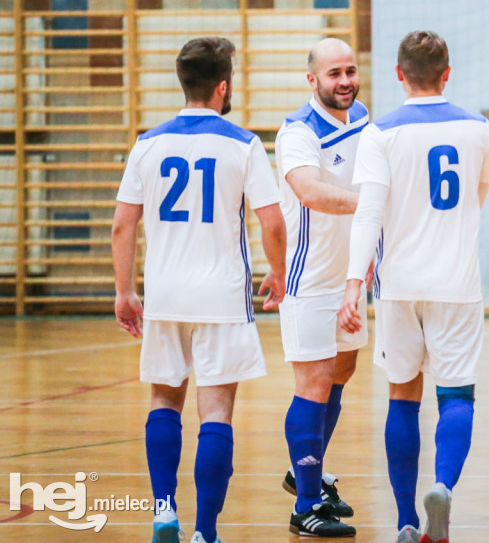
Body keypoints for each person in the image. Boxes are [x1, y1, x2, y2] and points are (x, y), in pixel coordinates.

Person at [112, 37, 287, 543]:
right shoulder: (243, 144)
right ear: (223, 86)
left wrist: (125, 292)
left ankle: (163, 512)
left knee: (164, 401)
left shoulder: (147, 143)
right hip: (222, 297)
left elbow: (123, 226)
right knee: (216, 413)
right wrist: (276, 272)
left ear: (183, 83)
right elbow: (272, 223)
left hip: (165, 295)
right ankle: (205, 532)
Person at [338, 31, 489, 543]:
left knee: (402, 395)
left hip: (400, 284)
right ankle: (443, 488)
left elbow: (368, 214)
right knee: (457, 396)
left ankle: (406, 518)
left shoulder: (379, 133)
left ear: (399, 74)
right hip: (457, 283)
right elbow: (479, 193)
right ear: (448, 73)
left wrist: (352, 283)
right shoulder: (477, 129)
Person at [274, 38, 369, 538]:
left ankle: (302, 471)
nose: (346, 81)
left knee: (342, 372)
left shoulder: (364, 118)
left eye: (351, 70)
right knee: (312, 384)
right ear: (312, 80)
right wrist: (372, 204)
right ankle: (305, 505)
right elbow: (310, 192)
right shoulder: (297, 132)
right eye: (334, 73)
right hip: (309, 280)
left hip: (350, 279)